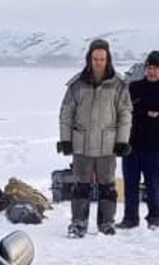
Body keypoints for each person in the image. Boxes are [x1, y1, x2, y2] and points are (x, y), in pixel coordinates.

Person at [57, 38, 132, 237]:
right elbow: (66, 113)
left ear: (108, 59)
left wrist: (122, 141)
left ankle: (106, 223)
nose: (99, 62)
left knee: (107, 187)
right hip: (82, 145)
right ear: (89, 59)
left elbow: (125, 113)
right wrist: (65, 140)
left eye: (102, 59)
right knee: (80, 186)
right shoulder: (77, 84)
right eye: (95, 59)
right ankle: (78, 223)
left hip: (107, 146)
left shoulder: (118, 85)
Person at [120, 50, 159, 231]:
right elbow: (126, 109)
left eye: (155, 69)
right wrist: (146, 108)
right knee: (130, 184)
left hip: (155, 146)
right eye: (149, 68)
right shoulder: (134, 86)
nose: (152, 72)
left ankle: (155, 217)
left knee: (154, 184)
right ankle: (130, 218)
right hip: (131, 144)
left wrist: (140, 105)